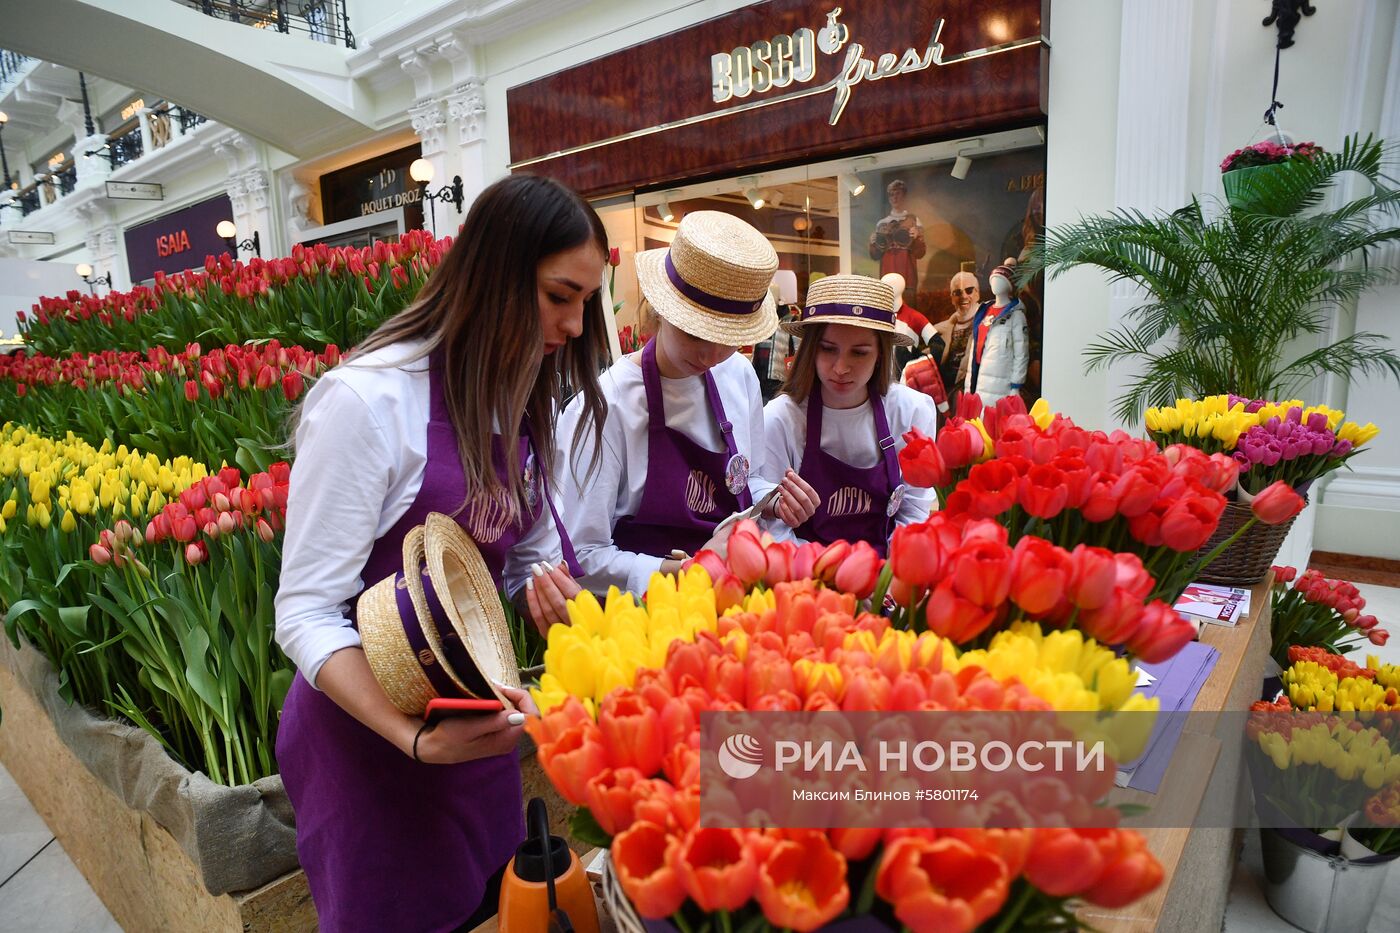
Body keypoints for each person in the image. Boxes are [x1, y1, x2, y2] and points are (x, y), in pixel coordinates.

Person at [274, 174, 611, 932]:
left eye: (587, 300)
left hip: (475, 726)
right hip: (366, 751)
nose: (574, 323)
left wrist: (540, 587)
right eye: (559, 296)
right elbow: (303, 612)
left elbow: (519, 553)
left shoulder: (525, 398)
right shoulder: (368, 402)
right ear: (493, 274)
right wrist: (413, 739)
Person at [557, 211, 819, 598]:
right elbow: (581, 558)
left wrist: (773, 500)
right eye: (695, 331)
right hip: (648, 619)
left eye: (729, 336)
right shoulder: (604, 410)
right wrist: (683, 571)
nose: (711, 353)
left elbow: (746, 481)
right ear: (662, 309)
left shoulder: (738, 375)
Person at [764, 274, 938, 555]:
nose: (841, 368)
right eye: (828, 349)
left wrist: (886, 579)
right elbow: (772, 528)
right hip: (807, 580)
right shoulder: (781, 420)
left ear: (881, 354)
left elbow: (914, 511)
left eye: (859, 353)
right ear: (810, 349)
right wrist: (834, 575)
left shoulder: (911, 411)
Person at [964, 259, 1030, 406]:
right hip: (979, 378)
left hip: (1001, 383)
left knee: (994, 421)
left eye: (1000, 280)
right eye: (994, 280)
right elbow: (975, 348)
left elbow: (1021, 354)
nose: (995, 284)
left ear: (1009, 285)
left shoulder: (1016, 316)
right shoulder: (984, 312)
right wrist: (968, 385)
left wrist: (1016, 385)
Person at [868, 179, 926, 300]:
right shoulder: (882, 223)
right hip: (887, 274)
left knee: (908, 306)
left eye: (897, 194)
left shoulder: (913, 220)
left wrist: (916, 238)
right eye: (891, 195)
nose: (894, 198)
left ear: (904, 195)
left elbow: (920, 253)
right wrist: (873, 243)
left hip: (907, 274)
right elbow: (875, 255)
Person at [936, 269, 981, 404]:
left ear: (977, 294)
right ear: (952, 298)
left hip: (972, 392)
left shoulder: (988, 325)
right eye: (957, 292)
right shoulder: (938, 329)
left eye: (969, 290)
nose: (963, 296)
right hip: (945, 394)